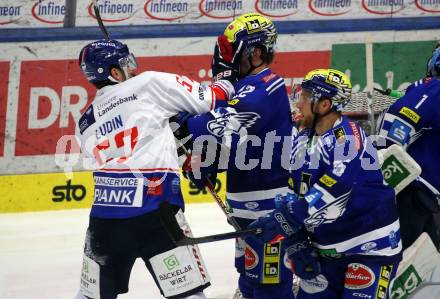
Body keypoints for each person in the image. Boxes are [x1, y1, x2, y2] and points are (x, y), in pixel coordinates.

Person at [74, 39, 236, 299]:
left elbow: (120, 148)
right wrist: (227, 76)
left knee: (89, 295)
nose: (133, 69)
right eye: (127, 64)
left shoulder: (83, 122)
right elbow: (213, 100)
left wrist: (163, 122)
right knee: (188, 294)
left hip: (103, 223)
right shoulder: (148, 84)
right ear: (115, 72)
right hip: (157, 214)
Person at [250, 69, 402, 298]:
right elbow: (295, 192)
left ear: (324, 105)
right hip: (326, 252)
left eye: (304, 97)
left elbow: (337, 186)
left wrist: (291, 215)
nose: (298, 104)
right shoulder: (302, 139)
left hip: (369, 249)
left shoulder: (349, 136)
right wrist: (295, 240)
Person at [179, 12, 294, 299]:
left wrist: (177, 117)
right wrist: (208, 162)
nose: (224, 60)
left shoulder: (268, 86)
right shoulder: (242, 87)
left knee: (271, 286)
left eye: (231, 52)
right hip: (245, 204)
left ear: (255, 52)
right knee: (248, 276)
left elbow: (214, 126)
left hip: (270, 209)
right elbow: (237, 144)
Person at [376, 47, 440, 250]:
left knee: (428, 272)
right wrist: (376, 186)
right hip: (408, 196)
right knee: (394, 267)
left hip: (426, 201)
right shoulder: (433, 88)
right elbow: (394, 127)